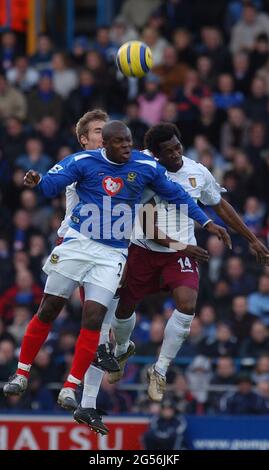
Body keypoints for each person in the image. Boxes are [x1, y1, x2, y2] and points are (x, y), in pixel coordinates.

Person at [4, 121, 225, 426]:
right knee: (49, 308)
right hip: (78, 242)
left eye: (129, 142)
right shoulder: (83, 161)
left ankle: (73, 389)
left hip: (113, 253)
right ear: (104, 144)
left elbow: (178, 195)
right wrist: (37, 181)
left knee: (96, 318)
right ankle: (21, 373)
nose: (126, 147)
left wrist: (206, 222)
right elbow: (50, 186)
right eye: (120, 142)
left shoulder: (145, 165)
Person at [104, 123, 269, 404]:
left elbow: (219, 205)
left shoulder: (197, 172)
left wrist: (251, 239)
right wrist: (187, 246)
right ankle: (121, 349)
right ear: (156, 155)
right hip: (144, 248)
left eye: (178, 146)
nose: (176, 154)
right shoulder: (144, 172)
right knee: (124, 309)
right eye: (168, 152)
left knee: (188, 304)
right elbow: (149, 228)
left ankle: (160, 369)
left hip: (180, 254)